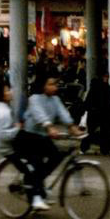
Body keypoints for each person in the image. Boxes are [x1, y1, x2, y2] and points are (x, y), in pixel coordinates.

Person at [20, 77, 84, 209]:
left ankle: (37, 184)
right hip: (29, 137)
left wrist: (72, 127)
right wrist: (49, 126)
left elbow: (63, 113)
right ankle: (36, 196)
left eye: (55, 84)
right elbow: (39, 114)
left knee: (56, 156)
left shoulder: (55, 100)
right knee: (37, 163)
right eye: (51, 84)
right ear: (43, 86)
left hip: (43, 137)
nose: (55, 87)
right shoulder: (34, 98)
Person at [0, 84, 48, 211]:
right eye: (7, 90)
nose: (10, 92)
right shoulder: (3, 112)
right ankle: (35, 197)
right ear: (2, 95)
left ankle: (38, 194)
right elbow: (4, 135)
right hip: (7, 147)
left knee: (34, 158)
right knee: (30, 168)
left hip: (5, 144)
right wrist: (17, 128)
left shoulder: (0, 107)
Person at [83, 70, 110, 155]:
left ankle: (105, 150)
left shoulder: (107, 87)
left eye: (107, 77)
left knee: (105, 132)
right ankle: (84, 147)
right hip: (94, 113)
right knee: (91, 132)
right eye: (105, 76)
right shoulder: (95, 87)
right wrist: (91, 109)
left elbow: (109, 101)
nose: (106, 78)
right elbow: (89, 100)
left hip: (104, 113)